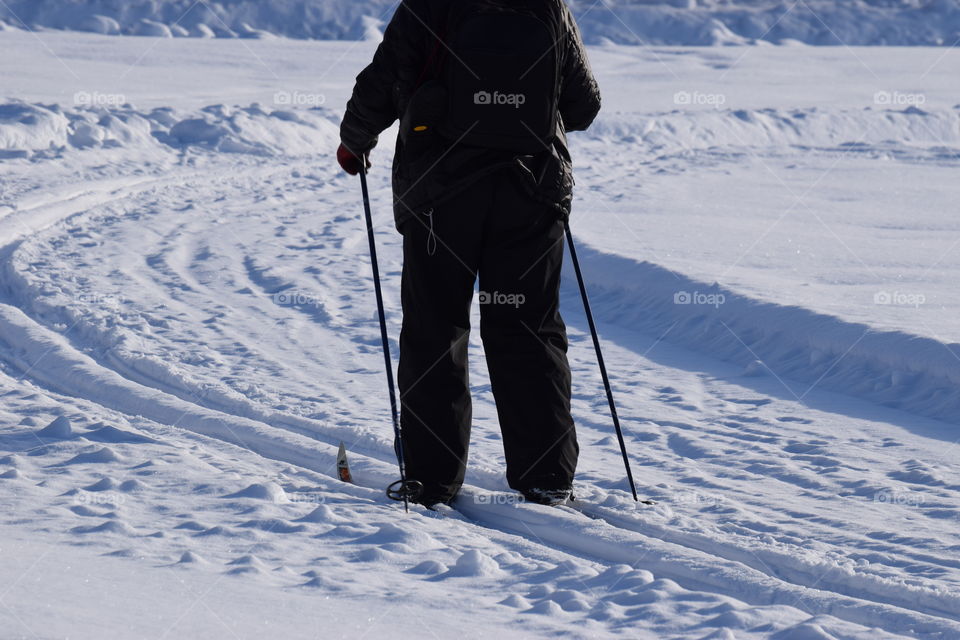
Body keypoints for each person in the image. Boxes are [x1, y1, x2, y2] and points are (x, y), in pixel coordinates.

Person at [337, 0, 601, 507]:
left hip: (441, 195)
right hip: (532, 191)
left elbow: (384, 77)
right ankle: (546, 476)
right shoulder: (548, 5)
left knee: (435, 328)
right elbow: (583, 105)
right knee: (528, 327)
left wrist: (355, 140)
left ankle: (432, 480)